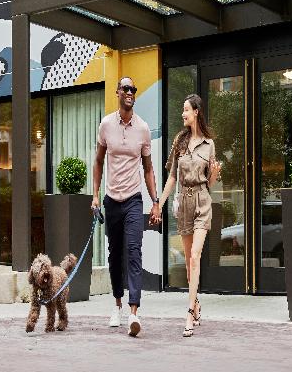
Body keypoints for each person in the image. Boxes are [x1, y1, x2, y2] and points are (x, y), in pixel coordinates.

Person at [92, 77, 160, 337]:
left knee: (134, 252)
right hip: (112, 200)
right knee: (115, 255)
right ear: (118, 92)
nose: (130, 92)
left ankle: (134, 312)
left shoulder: (142, 128)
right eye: (126, 89)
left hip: (133, 199)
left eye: (133, 89)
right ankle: (117, 305)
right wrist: (95, 196)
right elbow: (98, 161)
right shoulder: (106, 125)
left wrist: (155, 202)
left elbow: (148, 169)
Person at [150, 94, 221, 337]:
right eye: (183, 110)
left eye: (186, 110)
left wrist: (214, 173)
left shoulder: (209, 144)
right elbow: (172, 177)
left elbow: (210, 182)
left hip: (202, 200)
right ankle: (196, 302)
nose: (183, 114)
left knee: (195, 256)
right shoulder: (179, 142)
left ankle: (190, 312)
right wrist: (159, 203)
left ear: (196, 112)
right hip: (184, 202)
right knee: (190, 265)